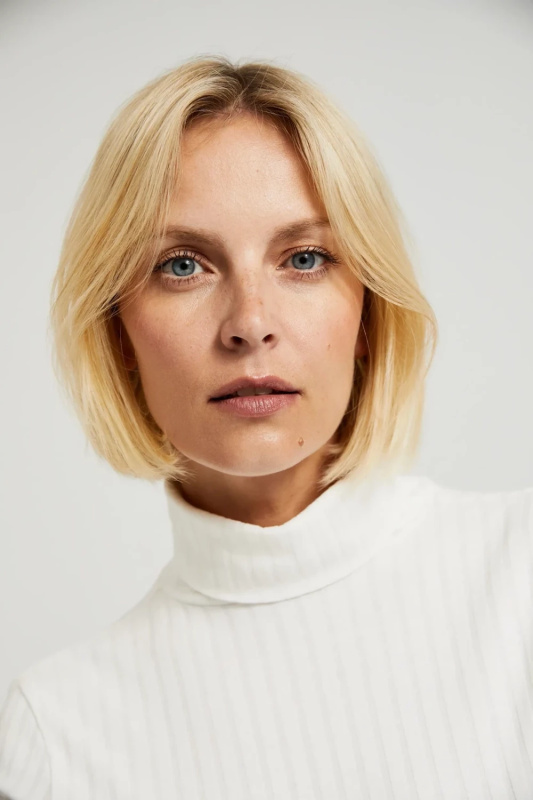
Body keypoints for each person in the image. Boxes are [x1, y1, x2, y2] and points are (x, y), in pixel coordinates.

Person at [0, 53, 531, 800]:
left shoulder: (519, 576)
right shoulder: (58, 733)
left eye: (304, 258)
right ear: (117, 331)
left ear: (369, 315)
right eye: (182, 266)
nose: (250, 324)